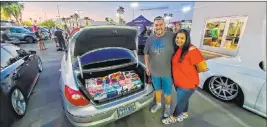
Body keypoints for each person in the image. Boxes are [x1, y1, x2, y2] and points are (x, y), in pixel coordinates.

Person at [162, 29, 208, 124]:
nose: (179, 40)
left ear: (187, 39)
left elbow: (203, 67)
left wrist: (190, 73)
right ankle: (185, 113)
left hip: (188, 83)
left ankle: (173, 117)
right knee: (184, 100)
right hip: (178, 82)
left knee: (180, 102)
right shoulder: (179, 48)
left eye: (182, 38)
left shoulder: (192, 50)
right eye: (177, 38)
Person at [144, 16, 175, 117]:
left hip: (167, 72)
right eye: (156, 25)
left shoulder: (172, 36)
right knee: (157, 90)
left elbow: (183, 44)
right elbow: (146, 54)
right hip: (154, 71)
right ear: (153, 26)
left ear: (164, 25)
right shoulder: (150, 39)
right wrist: (147, 68)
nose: (158, 27)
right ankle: (158, 104)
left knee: (167, 92)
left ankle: (167, 107)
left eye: (161, 24)